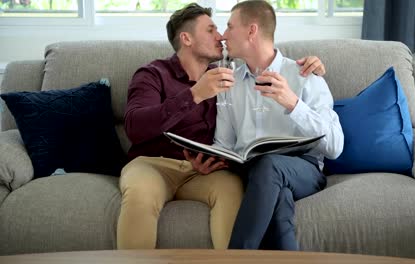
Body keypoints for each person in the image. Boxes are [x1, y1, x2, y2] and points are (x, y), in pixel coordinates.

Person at [117, 2, 327, 250]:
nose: (221, 36)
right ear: (186, 38)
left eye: (223, 28)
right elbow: (135, 127)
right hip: (154, 164)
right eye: (211, 30)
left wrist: (313, 64)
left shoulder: (227, 74)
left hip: (203, 171)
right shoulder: (153, 74)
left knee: (232, 190)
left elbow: (264, 59)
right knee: (141, 194)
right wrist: (194, 94)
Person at [185, 0, 344, 250]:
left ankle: (235, 257)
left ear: (252, 31)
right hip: (253, 173)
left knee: (269, 166)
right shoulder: (229, 83)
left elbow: (335, 146)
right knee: (277, 198)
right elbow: (225, 144)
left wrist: (292, 103)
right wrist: (208, 162)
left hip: (303, 170)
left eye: (229, 26)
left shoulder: (304, 75)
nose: (223, 35)